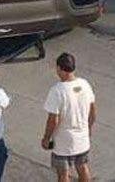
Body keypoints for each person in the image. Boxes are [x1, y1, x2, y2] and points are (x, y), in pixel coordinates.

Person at [41, 53, 97, 182]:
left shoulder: (57, 90)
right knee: (83, 167)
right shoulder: (85, 84)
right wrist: (87, 129)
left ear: (59, 68)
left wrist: (46, 138)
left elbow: (53, 120)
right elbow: (93, 111)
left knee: (63, 173)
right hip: (82, 138)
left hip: (63, 142)